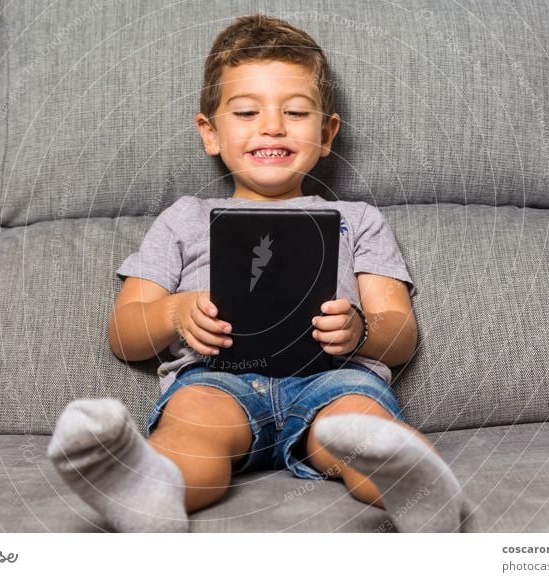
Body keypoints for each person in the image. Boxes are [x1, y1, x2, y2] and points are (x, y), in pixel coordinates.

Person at [48, 13, 470, 533]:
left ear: (326, 133)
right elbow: (124, 334)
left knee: (364, 429)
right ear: (210, 133)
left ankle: (422, 497)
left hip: (335, 381)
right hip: (217, 380)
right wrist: (176, 312)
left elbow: (400, 335)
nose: (272, 125)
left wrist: (362, 330)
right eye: (247, 111)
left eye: (295, 111)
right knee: (192, 428)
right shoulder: (184, 219)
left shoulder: (357, 219)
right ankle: (151, 493)